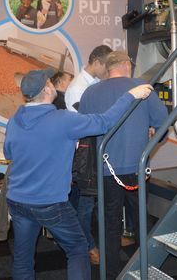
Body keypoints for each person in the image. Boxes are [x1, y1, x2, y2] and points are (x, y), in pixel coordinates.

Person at [4, 69, 154, 280]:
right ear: (47, 89)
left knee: (22, 258)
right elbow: (104, 122)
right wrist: (130, 95)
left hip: (17, 201)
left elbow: (9, 154)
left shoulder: (14, 121)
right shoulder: (63, 120)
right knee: (77, 250)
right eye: (50, 82)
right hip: (50, 203)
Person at [79, 51, 168, 279]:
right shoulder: (143, 88)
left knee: (110, 223)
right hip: (137, 167)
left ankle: (110, 273)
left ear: (108, 68)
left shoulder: (90, 93)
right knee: (141, 220)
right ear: (127, 65)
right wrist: (152, 140)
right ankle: (146, 267)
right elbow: (163, 125)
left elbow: (84, 129)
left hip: (105, 169)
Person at [65, 44, 112, 264]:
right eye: (107, 66)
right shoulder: (78, 88)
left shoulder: (92, 85)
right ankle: (89, 247)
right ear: (98, 63)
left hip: (91, 153)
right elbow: (87, 123)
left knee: (85, 205)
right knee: (83, 206)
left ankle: (83, 243)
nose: (108, 71)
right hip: (84, 157)